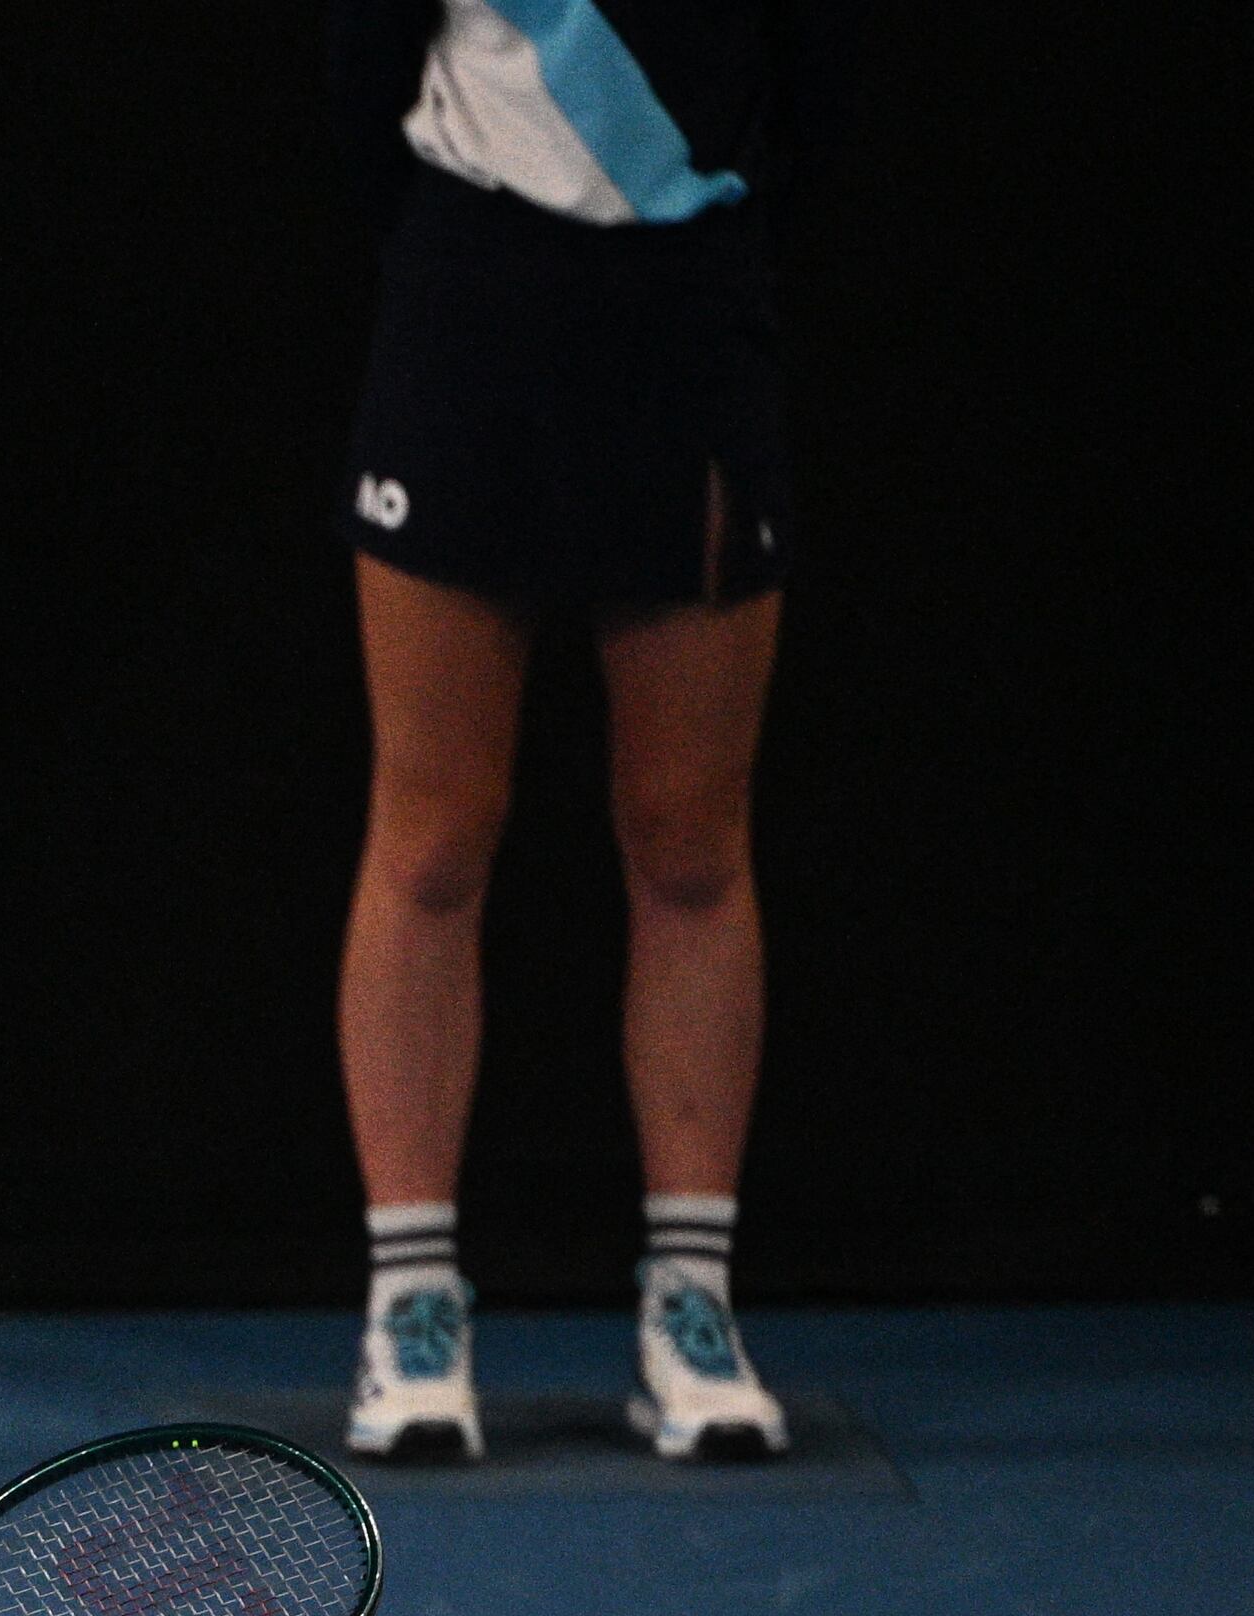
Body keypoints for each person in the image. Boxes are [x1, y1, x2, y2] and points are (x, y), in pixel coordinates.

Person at [326, 0, 832, 1464]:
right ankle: (413, 1306)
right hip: (468, 311)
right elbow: (366, 70)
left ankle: (693, 1302)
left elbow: (820, 90)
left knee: (689, 841)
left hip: (692, 327)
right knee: (430, 839)